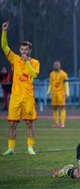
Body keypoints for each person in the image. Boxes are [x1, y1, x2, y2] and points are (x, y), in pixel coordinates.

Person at [1, 21, 40, 155]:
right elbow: (4, 46)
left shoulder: (34, 62)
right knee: (12, 124)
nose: (24, 51)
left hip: (28, 97)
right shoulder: (14, 59)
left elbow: (33, 74)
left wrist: (26, 62)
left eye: (26, 49)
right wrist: (4, 31)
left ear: (30, 51)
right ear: (19, 50)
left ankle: (30, 147)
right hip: (16, 96)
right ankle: (11, 148)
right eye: (22, 49)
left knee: (29, 123)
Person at [47, 60, 69, 127]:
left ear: (60, 65)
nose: (55, 66)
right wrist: (48, 91)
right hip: (54, 93)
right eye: (55, 65)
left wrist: (67, 93)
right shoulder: (51, 74)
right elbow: (50, 83)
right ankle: (56, 122)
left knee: (62, 107)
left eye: (57, 64)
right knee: (54, 108)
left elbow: (66, 84)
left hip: (61, 93)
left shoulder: (64, 74)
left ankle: (62, 123)